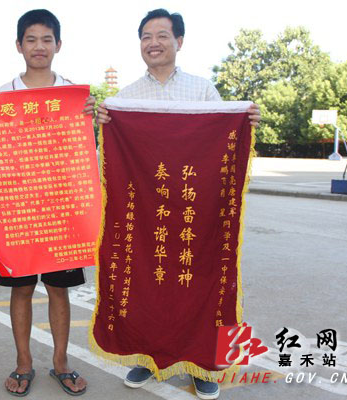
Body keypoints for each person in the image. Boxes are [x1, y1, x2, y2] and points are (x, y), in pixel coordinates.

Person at [96, 9, 261, 400]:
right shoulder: (126, 96)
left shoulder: (203, 90)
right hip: (147, 215)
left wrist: (246, 120)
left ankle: (204, 365)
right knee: (146, 286)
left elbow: (224, 141)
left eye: (162, 35)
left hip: (195, 214)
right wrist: (105, 121)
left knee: (202, 284)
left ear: (179, 42)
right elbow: (111, 159)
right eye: (146, 36)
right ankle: (147, 358)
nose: (153, 43)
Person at [0, 9, 94, 397]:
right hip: (18, 212)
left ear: (58, 45)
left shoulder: (73, 96)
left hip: (61, 213)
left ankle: (61, 363)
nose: (39, 46)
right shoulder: (2, 97)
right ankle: (23, 363)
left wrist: (93, 118)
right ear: (19, 46)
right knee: (20, 290)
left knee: (58, 290)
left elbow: (84, 153)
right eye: (31, 39)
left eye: (47, 39)